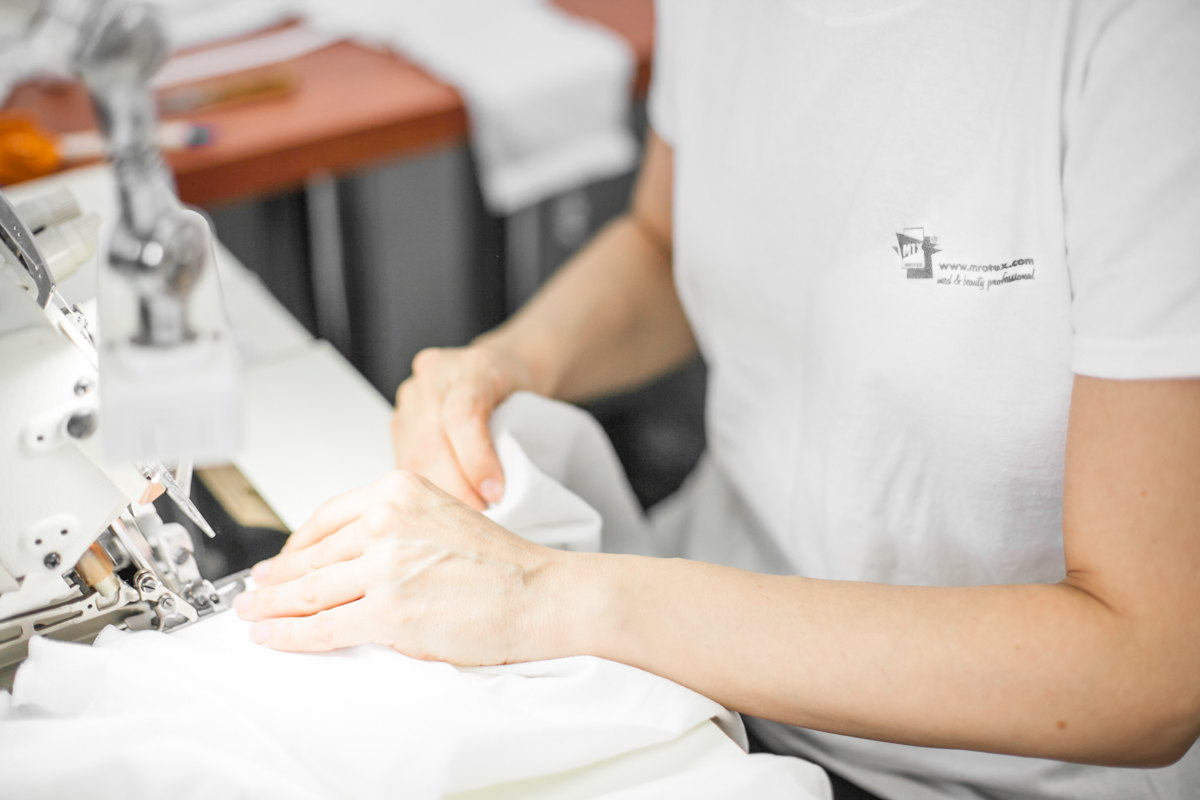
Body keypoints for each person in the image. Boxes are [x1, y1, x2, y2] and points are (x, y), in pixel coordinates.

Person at [232, 2, 1200, 797]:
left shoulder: (1144, 47)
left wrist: (543, 595)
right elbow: (666, 245)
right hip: (695, 674)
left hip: (988, 770)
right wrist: (506, 362)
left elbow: (1144, 670)